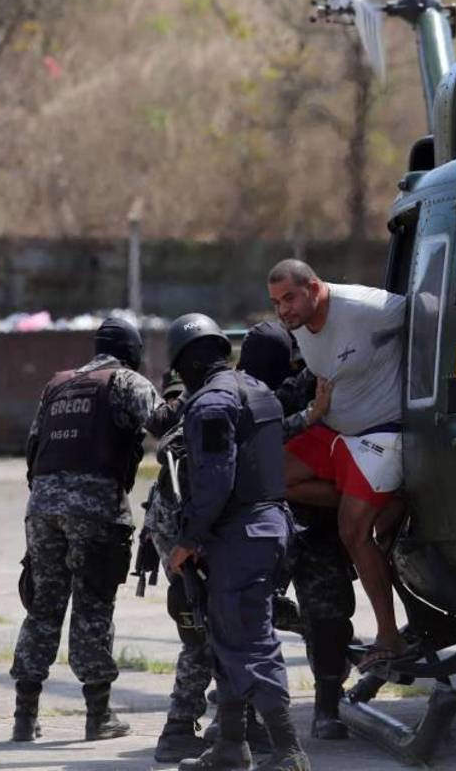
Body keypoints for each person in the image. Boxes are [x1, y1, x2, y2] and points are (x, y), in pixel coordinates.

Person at [162, 313, 308, 771]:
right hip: (267, 528)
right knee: (228, 635)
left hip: (238, 535)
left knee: (249, 639)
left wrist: (188, 539)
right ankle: (230, 745)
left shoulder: (210, 404)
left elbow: (214, 480)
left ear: (186, 363)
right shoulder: (258, 392)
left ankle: (288, 752)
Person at [9, 316, 160, 743]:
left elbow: (33, 448)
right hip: (96, 508)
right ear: (133, 350)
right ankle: (99, 715)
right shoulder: (127, 381)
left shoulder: (57, 384)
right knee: (93, 606)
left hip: (42, 508)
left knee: (43, 607)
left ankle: (24, 716)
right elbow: (165, 424)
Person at [266, 259, 409, 670]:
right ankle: (384, 500)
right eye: (276, 303)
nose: (283, 311)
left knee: (353, 530)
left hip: (382, 431)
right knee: (268, 477)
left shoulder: (368, 308)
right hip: (335, 429)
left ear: (314, 288)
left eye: (289, 298)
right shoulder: (300, 327)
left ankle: (389, 636)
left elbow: (434, 311)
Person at [240, 320, 354, 740]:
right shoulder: (247, 397)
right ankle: (245, 712)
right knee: (248, 617)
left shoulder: (313, 379)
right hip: (263, 527)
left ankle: (327, 705)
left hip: (312, 525)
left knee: (329, 615)